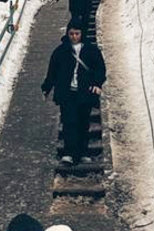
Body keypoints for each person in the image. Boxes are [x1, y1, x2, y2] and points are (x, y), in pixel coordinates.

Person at [41, 20, 106, 165]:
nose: (74, 37)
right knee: (69, 122)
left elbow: (100, 68)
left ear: (82, 34)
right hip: (67, 93)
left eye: (77, 34)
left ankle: (83, 152)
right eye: (71, 34)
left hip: (84, 92)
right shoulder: (60, 51)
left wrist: (97, 83)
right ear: (67, 33)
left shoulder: (91, 50)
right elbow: (52, 71)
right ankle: (69, 153)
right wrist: (46, 87)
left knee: (83, 122)